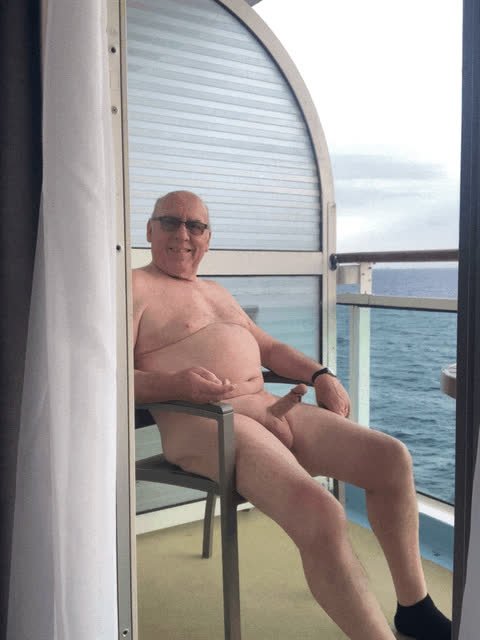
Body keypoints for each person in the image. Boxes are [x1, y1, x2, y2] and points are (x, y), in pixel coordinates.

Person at [133, 190, 451, 640]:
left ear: (208, 238)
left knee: (390, 458)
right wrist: (178, 385)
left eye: (195, 226)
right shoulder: (131, 287)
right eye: (171, 222)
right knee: (320, 510)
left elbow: (269, 348)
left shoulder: (216, 292)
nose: (183, 235)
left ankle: (414, 608)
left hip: (267, 405)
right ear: (150, 230)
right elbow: (107, 375)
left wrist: (321, 374)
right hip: (205, 421)